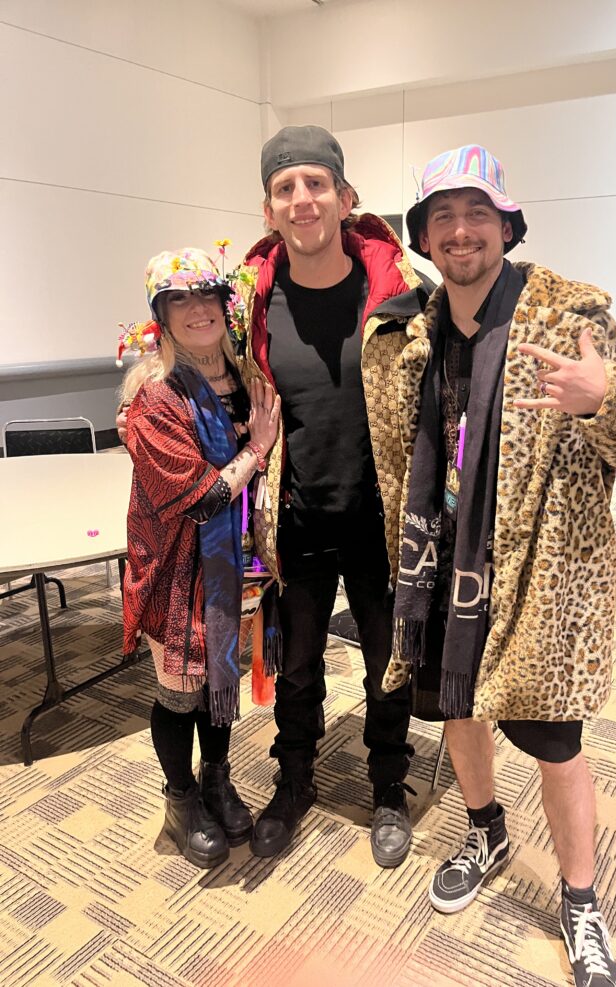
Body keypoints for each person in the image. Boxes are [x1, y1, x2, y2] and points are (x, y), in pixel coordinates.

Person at [381, 145, 616, 987]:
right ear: (426, 238)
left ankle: (581, 900)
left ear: (507, 226)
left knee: (556, 743)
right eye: (443, 216)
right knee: (457, 707)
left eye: (478, 213)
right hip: (440, 567)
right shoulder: (415, 335)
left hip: (542, 577)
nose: (461, 230)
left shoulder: (569, 318)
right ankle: (485, 827)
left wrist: (605, 397)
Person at [231, 125, 437, 865]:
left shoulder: (403, 291)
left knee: (389, 661)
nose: (302, 198)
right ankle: (294, 782)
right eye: (286, 188)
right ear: (268, 209)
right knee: (297, 666)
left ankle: (387, 784)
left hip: (382, 521)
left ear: (346, 198)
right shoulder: (248, 304)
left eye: (316, 183)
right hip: (296, 517)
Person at [119, 247, 280, 869]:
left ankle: (217, 778)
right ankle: (181, 797)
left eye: (206, 296)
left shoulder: (243, 381)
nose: (196, 309)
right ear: (161, 315)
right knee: (180, 691)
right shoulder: (155, 399)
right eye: (179, 300)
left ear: (224, 307)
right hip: (176, 573)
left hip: (236, 569)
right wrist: (258, 449)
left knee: (220, 679)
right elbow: (201, 496)